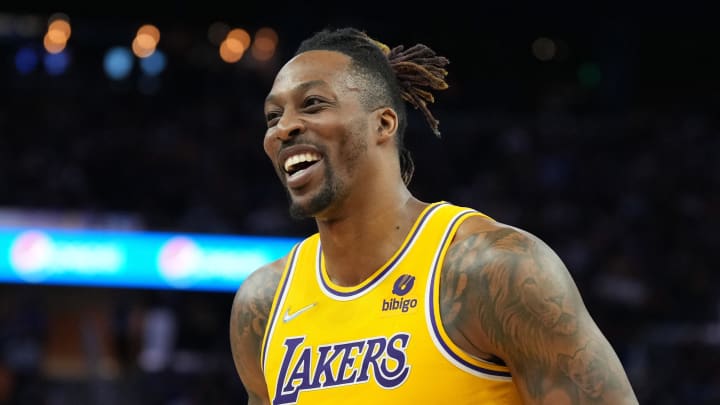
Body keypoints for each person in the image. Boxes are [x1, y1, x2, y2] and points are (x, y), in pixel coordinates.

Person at [229, 26, 639, 404]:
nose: (283, 128)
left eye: (313, 104)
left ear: (384, 123)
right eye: (272, 116)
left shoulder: (493, 270)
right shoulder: (263, 304)